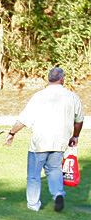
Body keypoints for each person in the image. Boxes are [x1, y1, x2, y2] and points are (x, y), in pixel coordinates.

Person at [6, 66, 84, 212]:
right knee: (54, 169)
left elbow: (24, 119)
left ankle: (33, 205)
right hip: (60, 141)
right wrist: (75, 136)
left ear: (48, 79)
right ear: (62, 79)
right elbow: (79, 120)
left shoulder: (39, 96)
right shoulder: (72, 97)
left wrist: (12, 133)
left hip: (41, 141)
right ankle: (58, 193)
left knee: (34, 175)